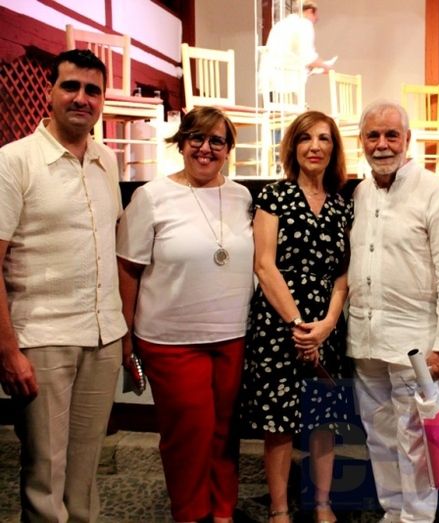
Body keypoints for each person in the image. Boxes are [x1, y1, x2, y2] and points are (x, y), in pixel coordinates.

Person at [0, 49, 126, 522]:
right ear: (49, 92)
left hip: (102, 336)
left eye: (93, 90)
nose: (81, 98)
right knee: (44, 475)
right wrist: (8, 350)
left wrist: (122, 333)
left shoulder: (106, 160)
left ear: (102, 101)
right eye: (70, 86)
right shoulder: (14, 161)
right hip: (43, 337)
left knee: (84, 472)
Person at [116, 106, 254, 523]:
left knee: (224, 431)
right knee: (188, 434)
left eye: (217, 141)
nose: (205, 148)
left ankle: (223, 511)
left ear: (228, 149)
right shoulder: (151, 196)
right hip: (171, 339)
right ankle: (191, 514)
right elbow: (128, 268)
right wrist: (126, 335)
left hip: (232, 334)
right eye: (197, 138)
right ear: (182, 143)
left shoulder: (241, 197)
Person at [347, 101, 439, 522]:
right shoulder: (361, 192)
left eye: (391, 135)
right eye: (373, 135)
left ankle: (416, 519)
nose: (382, 144)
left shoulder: (432, 190)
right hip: (366, 339)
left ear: (408, 139)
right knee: (379, 437)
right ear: (362, 141)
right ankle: (392, 512)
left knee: (415, 441)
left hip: (416, 343)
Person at [240, 110, 353, 523]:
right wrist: (297, 325)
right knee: (279, 422)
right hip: (278, 324)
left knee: (324, 422)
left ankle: (322, 504)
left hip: (326, 326)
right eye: (306, 138)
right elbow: (264, 265)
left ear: (334, 149)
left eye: (324, 138)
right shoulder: (274, 197)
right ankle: (279, 509)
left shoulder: (343, 206)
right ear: (293, 146)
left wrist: (326, 325)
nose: (315, 146)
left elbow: (343, 277)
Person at [263, 0, 333, 94]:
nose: (314, 21)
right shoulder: (304, 24)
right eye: (315, 18)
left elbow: (293, 55)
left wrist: (312, 68)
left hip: (270, 80)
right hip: (286, 82)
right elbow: (308, 57)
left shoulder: (280, 24)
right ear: (309, 11)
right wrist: (325, 66)